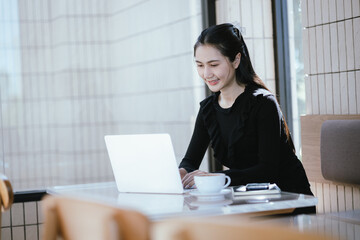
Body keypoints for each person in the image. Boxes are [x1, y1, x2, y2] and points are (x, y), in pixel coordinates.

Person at [179, 23, 314, 200]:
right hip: (251, 199)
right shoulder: (209, 109)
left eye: (213, 64)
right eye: (200, 65)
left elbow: (267, 170)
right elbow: (190, 161)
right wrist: (181, 173)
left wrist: (218, 178)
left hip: (289, 197)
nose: (206, 73)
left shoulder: (263, 103)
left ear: (236, 60)